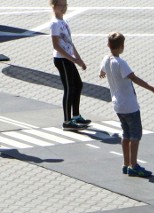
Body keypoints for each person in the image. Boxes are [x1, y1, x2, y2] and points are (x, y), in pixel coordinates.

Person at [99, 32, 154, 177]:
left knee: (126, 133)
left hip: (117, 104)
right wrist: (152, 88)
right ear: (122, 46)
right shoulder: (121, 63)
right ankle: (133, 165)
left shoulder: (106, 59)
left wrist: (102, 73)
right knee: (135, 135)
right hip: (129, 105)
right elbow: (134, 78)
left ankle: (125, 163)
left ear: (108, 45)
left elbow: (102, 70)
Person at [49, 0, 90, 131]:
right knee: (69, 88)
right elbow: (56, 45)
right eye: (61, 5)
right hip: (61, 59)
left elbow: (69, 43)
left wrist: (79, 59)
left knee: (78, 85)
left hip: (69, 59)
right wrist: (72, 59)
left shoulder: (64, 22)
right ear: (54, 6)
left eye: (65, 5)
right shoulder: (55, 24)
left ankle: (76, 115)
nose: (63, 8)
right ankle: (67, 121)